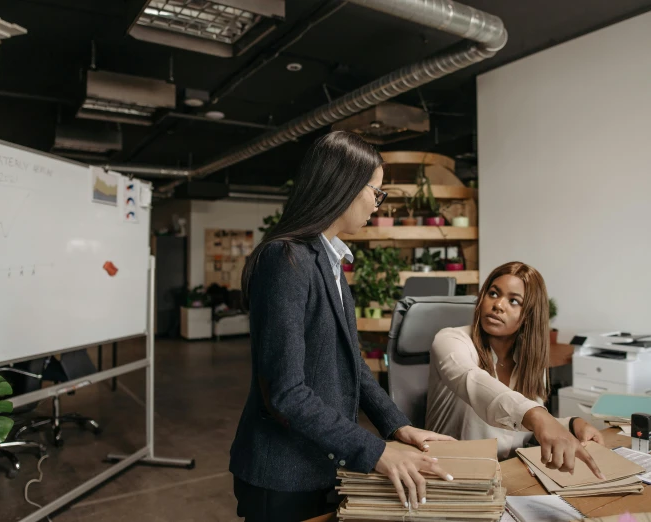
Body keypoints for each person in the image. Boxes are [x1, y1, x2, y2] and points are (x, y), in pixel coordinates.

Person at [230, 131, 455, 522]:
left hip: (323, 461)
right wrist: (377, 452)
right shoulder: (286, 259)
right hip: (284, 474)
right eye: (376, 192)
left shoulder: (330, 261)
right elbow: (286, 393)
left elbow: (353, 363)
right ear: (345, 186)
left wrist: (398, 427)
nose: (377, 203)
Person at [425, 261, 606, 479]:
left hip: (509, 474)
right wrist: (540, 418)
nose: (498, 305)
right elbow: (476, 382)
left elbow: (525, 424)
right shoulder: (450, 341)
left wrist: (571, 424)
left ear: (529, 315)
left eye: (513, 301)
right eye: (493, 293)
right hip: (452, 474)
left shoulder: (530, 361)